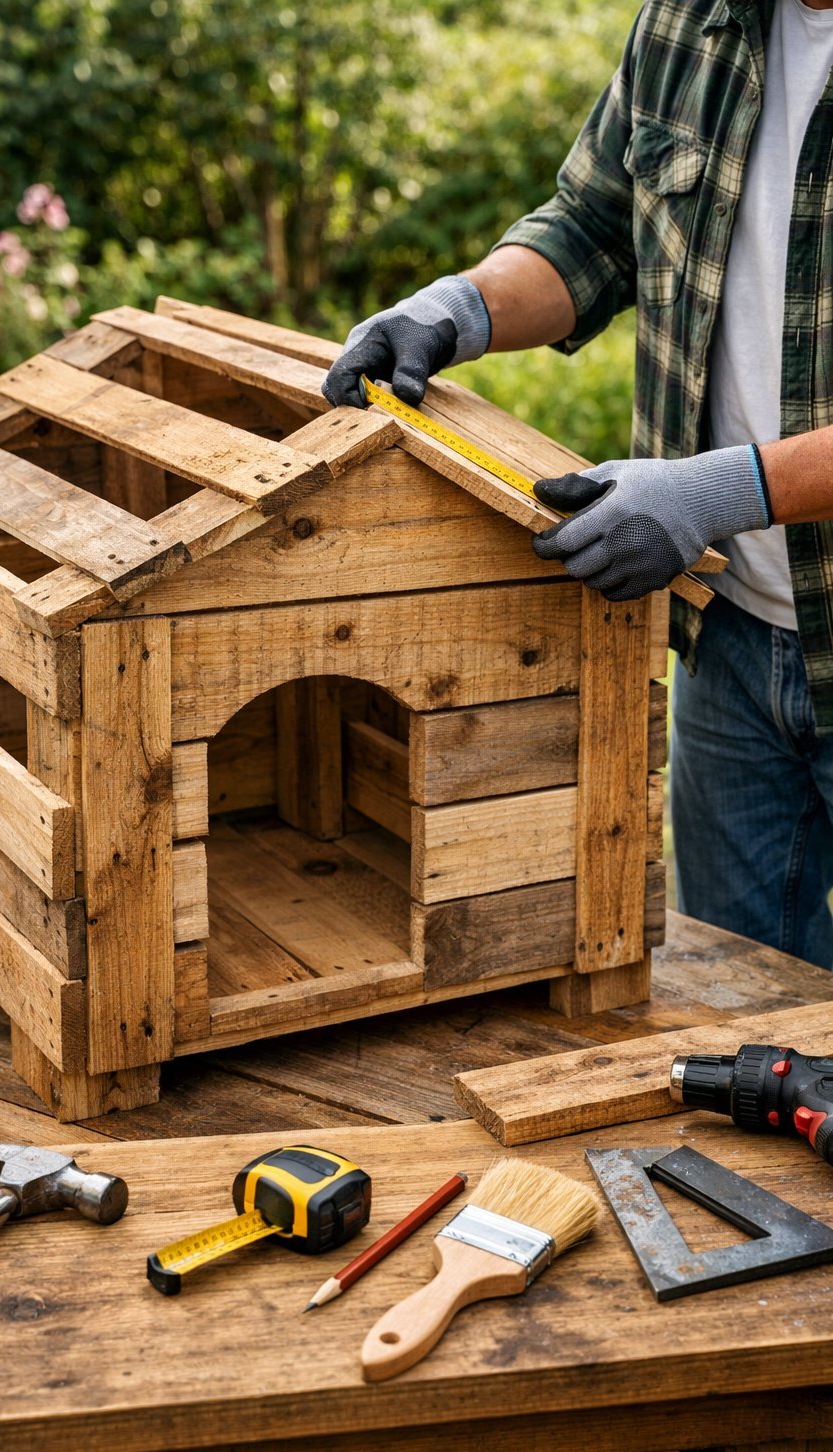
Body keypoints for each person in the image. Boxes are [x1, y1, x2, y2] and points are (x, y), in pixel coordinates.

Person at [323, 0, 833, 969]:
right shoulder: (691, 22)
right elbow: (596, 229)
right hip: (729, 641)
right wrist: (458, 309)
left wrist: (718, 492)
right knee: (746, 1002)